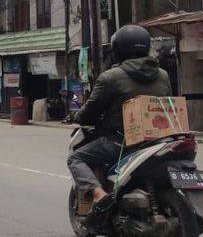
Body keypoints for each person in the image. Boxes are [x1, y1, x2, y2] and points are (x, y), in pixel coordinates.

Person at [66, 25, 172, 230]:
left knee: (75, 158)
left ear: (118, 49)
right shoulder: (163, 75)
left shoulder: (111, 77)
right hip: (159, 140)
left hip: (121, 141)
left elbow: (89, 112)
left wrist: (76, 115)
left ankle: (99, 195)